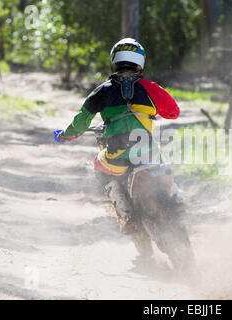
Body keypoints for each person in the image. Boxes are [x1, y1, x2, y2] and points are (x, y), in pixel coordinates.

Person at [55, 38, 184, 256]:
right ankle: (178, 199)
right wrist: (151, 110)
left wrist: (67, 136)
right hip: (146, 151)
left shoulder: (101, 91)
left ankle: (126, 212)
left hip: (118, 156)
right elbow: (173, 112)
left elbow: (81, 122)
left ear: (114, 61)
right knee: (162, 160)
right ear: (140, 62)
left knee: (98, 165)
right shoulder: (150, 88)